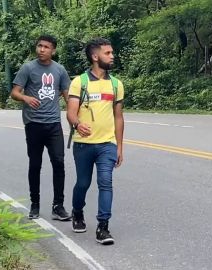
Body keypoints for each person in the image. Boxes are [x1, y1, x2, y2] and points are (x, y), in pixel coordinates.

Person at [67, 37, 124, 245]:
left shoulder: (116, 85)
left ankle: (103, 227)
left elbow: (119, 117)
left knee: (105, 183)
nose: (112, 56)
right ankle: (77, 211)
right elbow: (71, 113)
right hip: (83, 144)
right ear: (95, 56)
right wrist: (77, 124)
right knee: (83, 183)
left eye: (111, 52)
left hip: (107, 144)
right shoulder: (79, 82)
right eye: (107, 53)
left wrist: (119, 146)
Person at [10, 35, 72, 221]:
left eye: (46, 47)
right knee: (35, 164)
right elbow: (14, 92)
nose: (42, 49)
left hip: (53, 124)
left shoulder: (60, 70)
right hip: (33, 123)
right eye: (39, 46)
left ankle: (58, 206)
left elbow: (68, 96)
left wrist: (75, 116)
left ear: (53, 50)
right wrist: (26, 98)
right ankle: (35, 204)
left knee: (59, 163)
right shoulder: (28, 68)